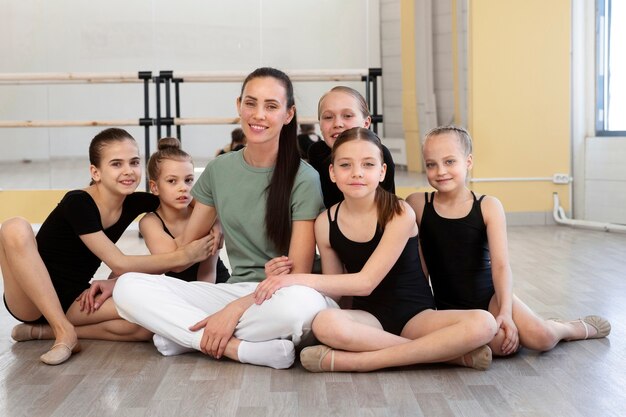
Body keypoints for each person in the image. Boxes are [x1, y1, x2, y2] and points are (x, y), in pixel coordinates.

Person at [112, 67, 336, 370]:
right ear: (238, 105)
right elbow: (184, 248)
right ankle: (237, 348)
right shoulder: (219, 170)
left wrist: (234, 310)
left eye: (271, 106)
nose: (258, 114)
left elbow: (298, 272)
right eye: (250, 103)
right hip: (233, 289)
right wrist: (114, 279)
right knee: (129, 288)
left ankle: (184, 337)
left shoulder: (304, 178)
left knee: (303, 307)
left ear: (288, 114)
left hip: (280, 294)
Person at [254, 127, 498, 372]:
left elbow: (366, 282)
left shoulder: (399, 212)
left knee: (484, 323)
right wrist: (287, 277)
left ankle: (362, 361)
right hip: (369, 319)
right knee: (325, 323)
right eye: (346, 165)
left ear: (382, 172)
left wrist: (294, 280)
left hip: (417, 316)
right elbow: (336, 292)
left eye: (368, 165)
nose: (357, 173)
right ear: (332, 172)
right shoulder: (325, 223)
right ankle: (444, 356)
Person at [0, 128, 213, 366]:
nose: (128, 171)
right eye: (116, 164)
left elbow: (195, 202)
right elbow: (119, 263)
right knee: (14, 227)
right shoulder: (78, 202)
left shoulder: (134, 202)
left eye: (133, 162)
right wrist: (183, 255)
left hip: (75, 300)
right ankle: (63, 332)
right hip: (29, 300)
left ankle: (42, 332)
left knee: (145, 325)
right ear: (96, 172)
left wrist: (217, 228)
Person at [406, 126, 611, 357]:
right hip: (448, 307)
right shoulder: (418, 205)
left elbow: (501, 265)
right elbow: (419, 266)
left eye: (450, 161)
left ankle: (564, 327)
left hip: (491, 298)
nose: (440, 171)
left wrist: (504, 312)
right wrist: (423, 312)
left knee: (541, 338)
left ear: (468, 161)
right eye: (431, 164)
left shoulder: (488, 206)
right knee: (501, 345)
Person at [141, 137, 230, 284]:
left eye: (188, 180)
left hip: (214, 283)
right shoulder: (150, 222)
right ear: (155, 187)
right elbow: (174, 264)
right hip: (179, 289)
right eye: (172, 181)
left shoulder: (203, 213)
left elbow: (208, 270)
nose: (183, 188)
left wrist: (214, 218)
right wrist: (210, 223)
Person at [308, 86, 395, 209]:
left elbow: (388, 206)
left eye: (347, 116)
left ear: (366, 123)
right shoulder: (316, 153)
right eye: (328, 117)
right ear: (320, 124)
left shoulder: (380, 153)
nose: (337, 123)